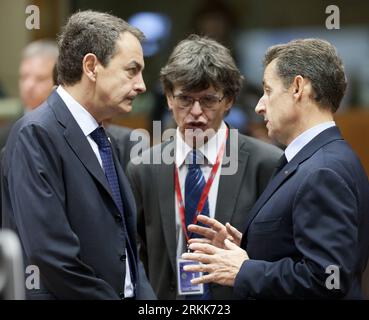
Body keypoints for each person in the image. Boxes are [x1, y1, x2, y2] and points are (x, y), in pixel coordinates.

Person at [182, 38, 369, 299]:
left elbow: (329, 279)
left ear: (297, 87)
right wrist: (248, 250)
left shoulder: (323, 170)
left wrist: (244, 270)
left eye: (268, 91)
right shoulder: (313, 160)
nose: (259, 106)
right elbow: (298, 252)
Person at [1, 10, 155, 300]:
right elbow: (52, 257)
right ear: (91, 66)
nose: (141, 85)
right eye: (131, 70)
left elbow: (128, 251)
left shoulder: (101, 136)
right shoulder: (35, 134)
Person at [126, 35, 282, 299]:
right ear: (168, 98)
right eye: (185, 99)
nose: (196, 112)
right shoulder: (143, 168)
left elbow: (278, 254)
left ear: (229, 100)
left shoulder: (266, 163)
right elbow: (135, 256)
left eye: (208, 100)